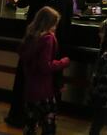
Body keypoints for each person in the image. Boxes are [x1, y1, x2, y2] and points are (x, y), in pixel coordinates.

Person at [5, 0, 73, 127]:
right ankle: (47, 119)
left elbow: (20, 3)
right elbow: (68, 21)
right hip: (53, 44)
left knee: (24, 78)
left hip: (32, 40)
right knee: (51, 82)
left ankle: (20, 115)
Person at [20, 7, 70, 135]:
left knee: (30, 123)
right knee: (48, 123)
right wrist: (63, 62)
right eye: (55, 24)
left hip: (30, 87)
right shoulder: (48, 39)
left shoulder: (30, 36)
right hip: (44, 89)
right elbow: (45, 66)